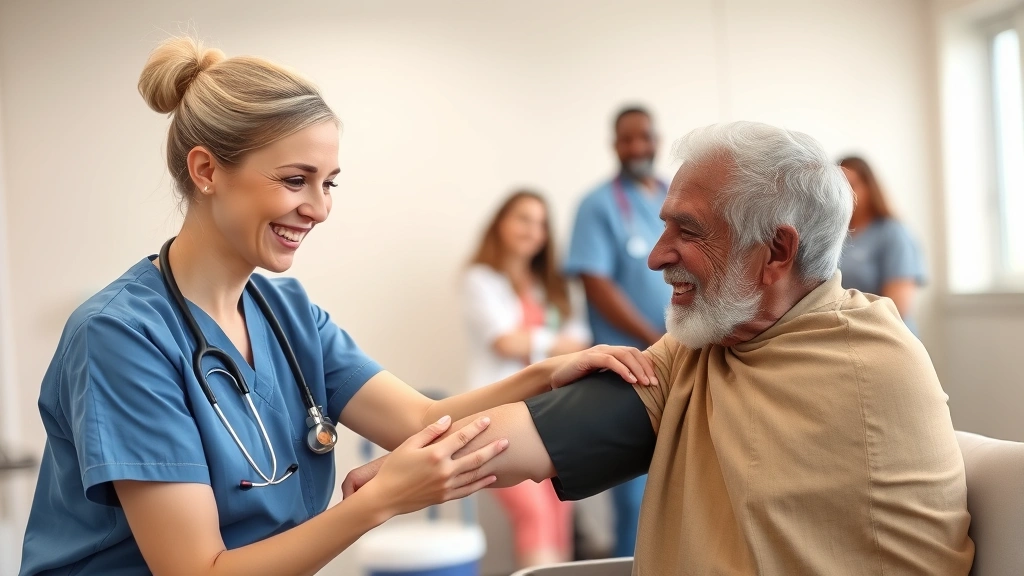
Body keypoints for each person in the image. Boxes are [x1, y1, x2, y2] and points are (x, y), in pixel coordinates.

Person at [17, 37, 658, 576]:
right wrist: (377, 503)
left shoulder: (286, 313)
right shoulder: (122, 337)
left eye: (328, 184)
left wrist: (546, 375)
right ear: (207, 170)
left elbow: (421, 420)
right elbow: (197, 571)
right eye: (294, 180)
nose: (319, 209)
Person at [346, 121, 975, 574]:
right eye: (662, 225)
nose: (654, 257)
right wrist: (402, 472)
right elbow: (533, 437)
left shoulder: (870, 363)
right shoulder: (706, 347)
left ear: (776, 252)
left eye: (689, 231)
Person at [563, 105, 671, 557]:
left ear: (656, 139)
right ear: (615, 145)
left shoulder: (674, 195)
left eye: (643, 137)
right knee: (635, 493)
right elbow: (596, 281)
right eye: (626, 140)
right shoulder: (598, 205)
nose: (636, 148)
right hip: (626, 364)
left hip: (679, 360)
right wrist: (653, 334)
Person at [463, 190, 591, 568]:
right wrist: (553, 342)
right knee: (532, 514)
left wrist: (534, 340)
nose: (532, 230)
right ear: (501, 223)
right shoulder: (479, 279)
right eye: (523, 218)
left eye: (540, 223)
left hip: (551, 413)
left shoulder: (552, 287)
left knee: (559, 516)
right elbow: (504, 342)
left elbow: (580, 344)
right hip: (497, 416)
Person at [838, 156, 926, 334]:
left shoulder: (892, 233)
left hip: (886, 335)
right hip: (844, 334)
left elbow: (898, 306)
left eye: (852, 186)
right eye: (838, 188)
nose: (844, 194)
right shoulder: (834, 236)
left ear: (869, 188)